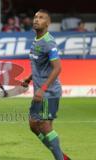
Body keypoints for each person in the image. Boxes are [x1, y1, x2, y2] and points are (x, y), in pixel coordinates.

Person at [21, 9, 71, 160]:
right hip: (40, 91)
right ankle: (60, 155)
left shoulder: (49, 42)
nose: (36, 20)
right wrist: (29, 78)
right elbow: (40, 65)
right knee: (33, 125)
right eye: (35, 17)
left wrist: (42, 89)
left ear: (48, 23)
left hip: (49, 92)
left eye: (41, 18)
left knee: (44, 126)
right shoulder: (36, 40)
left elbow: (58, 68)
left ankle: (59, 158)